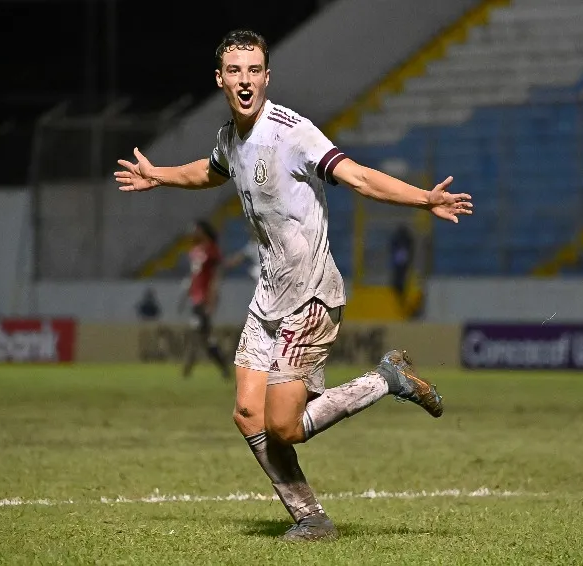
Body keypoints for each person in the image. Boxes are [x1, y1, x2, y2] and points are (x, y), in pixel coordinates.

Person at [115, 29, 473, 541]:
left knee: (283, 426)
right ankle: (312, 519)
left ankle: (385, 380)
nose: (245, 80)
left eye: (254, 70)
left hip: (311, 295)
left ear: (266, 76)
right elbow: (212, 171)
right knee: (246, 413)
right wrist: (160, 175)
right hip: (269, 297)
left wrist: (425, 199)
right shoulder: (229, 137)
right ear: (220, 79)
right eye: (235, 71)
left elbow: (359, 178)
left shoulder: (293, 132)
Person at [179, 219, 230, 380]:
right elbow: (193, 277)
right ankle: (222, 367)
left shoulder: (212, 251)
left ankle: (188, 368)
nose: (193, 233)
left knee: (199, 334)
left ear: (203, 231)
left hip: (204, 300)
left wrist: (212, 301)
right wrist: (184, 297)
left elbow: (215, 278)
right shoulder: (194, 251)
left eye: (196, 229)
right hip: (195, 299)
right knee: (204, 337)